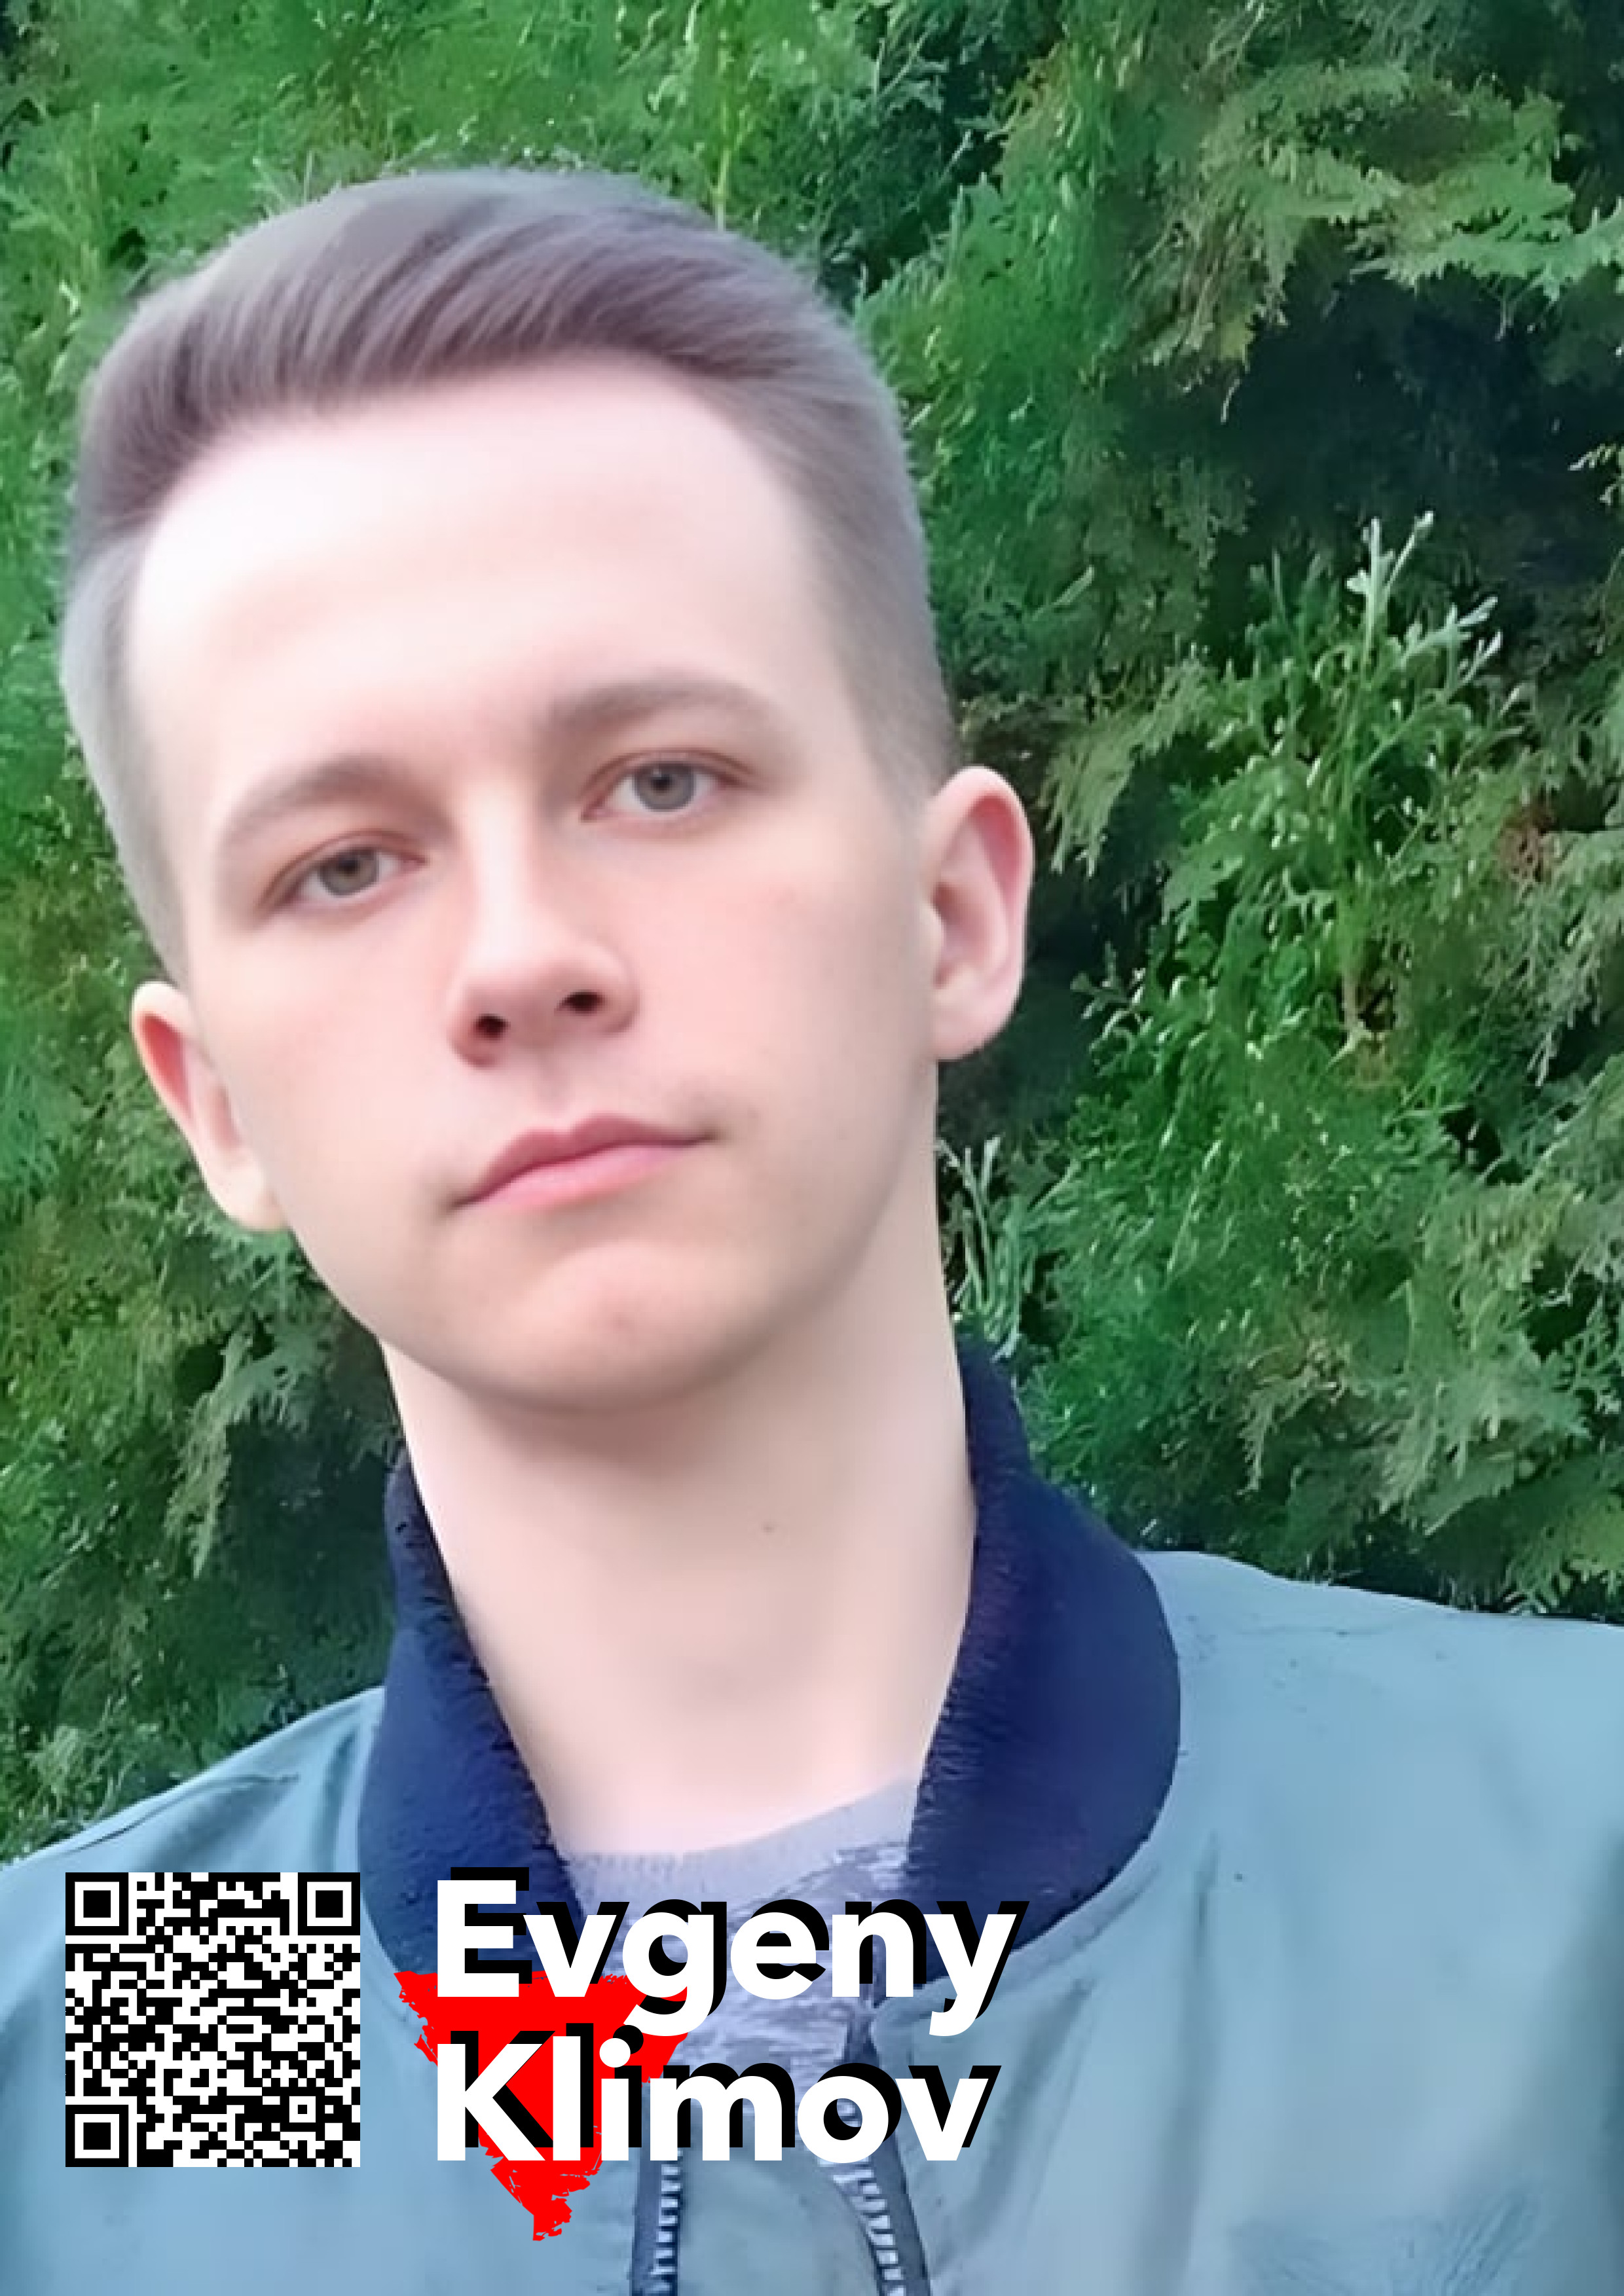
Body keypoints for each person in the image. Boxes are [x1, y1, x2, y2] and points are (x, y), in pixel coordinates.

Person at [2, 166, 1622, 2296]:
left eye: (659, 779)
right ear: (213, 1098)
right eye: (345, 864)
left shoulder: (1563, 1878)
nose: (523, 953)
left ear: (953, 913)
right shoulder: (112, 2056)